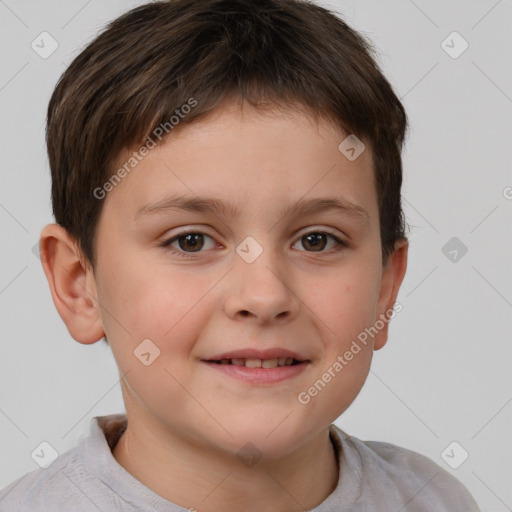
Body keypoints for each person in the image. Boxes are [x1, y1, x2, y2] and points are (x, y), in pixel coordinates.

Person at [0, 0, 480, 510]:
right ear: (80, 285)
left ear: (385, 288)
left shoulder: (436, 499)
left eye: (317, 240)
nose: (265, 295)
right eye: (191, 240)